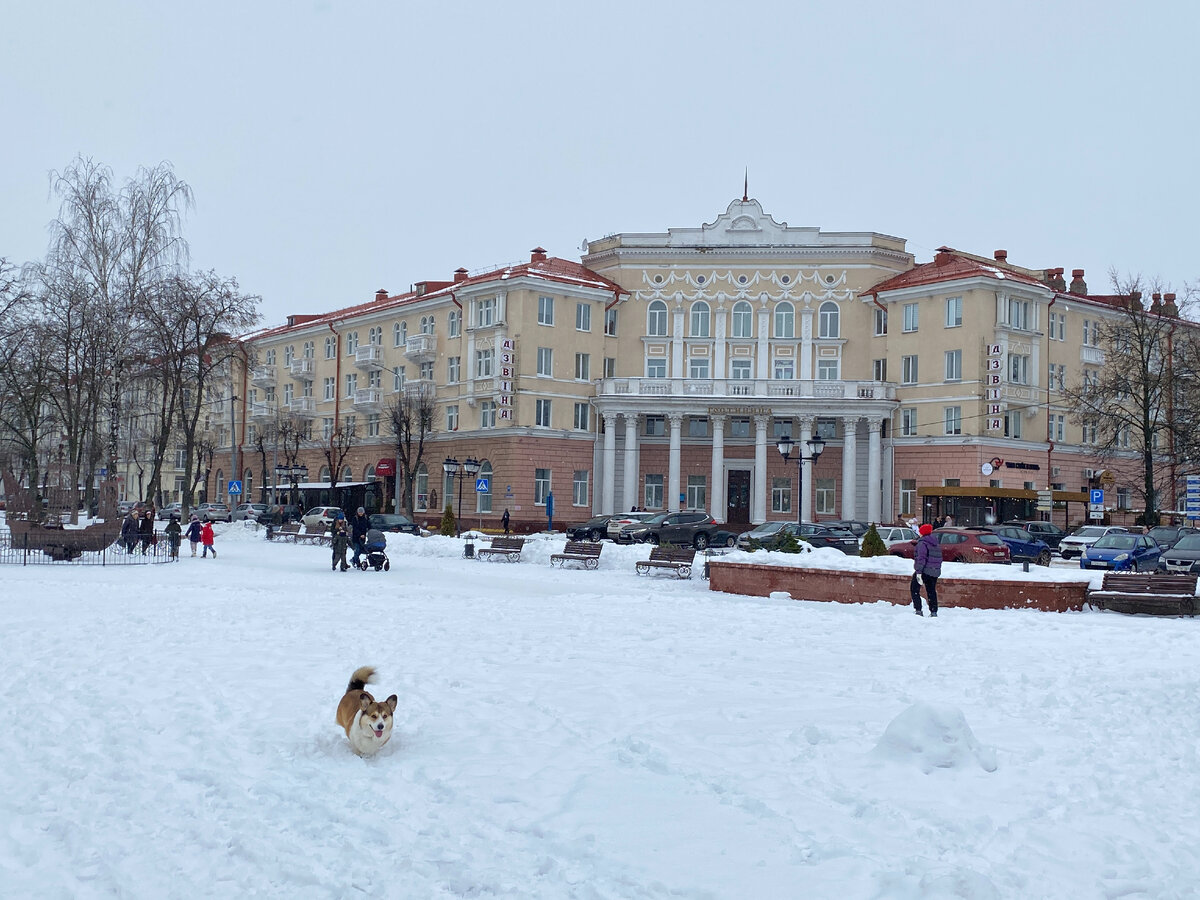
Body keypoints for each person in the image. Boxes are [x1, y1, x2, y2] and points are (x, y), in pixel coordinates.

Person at [911, 523, 943, 617]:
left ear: (922, 533)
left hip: (924, 570)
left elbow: (921, 558)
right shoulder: (935, 543)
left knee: (914, 589)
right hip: (934, 571)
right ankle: (934, 612)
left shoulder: (922, 543)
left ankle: (918, 610)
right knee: (931, 591)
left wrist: (918, 572)